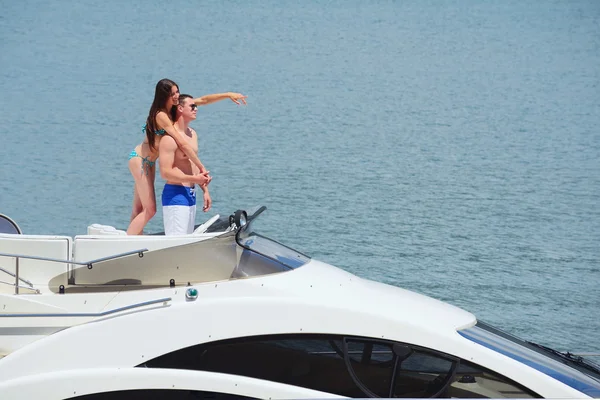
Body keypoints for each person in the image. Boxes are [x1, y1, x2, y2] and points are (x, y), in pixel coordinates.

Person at [127, 79, 247, 235]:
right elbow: (182, 143)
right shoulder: (161, 115)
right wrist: (202, 167)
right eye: (173, 93)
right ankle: (126, 245)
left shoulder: (175, 108)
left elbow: (203, 100)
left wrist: (227, 95)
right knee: (149, 210)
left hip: (149, 162)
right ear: (164, 96)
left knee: (139, 209)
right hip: (140, 160)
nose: (177, 95)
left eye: (177, 91)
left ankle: (133, 239)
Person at [159, 94, 209, 235]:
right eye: (192, 106)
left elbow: (193, 166)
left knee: (186, 240)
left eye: (196, 106)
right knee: (176, 244)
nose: (196, 109)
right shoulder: (169, 139)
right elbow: (165, 173)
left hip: (191, 194)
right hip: (176, 194)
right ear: (180, 108)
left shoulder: (192, 134)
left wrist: (205, 190)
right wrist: (195, 179)